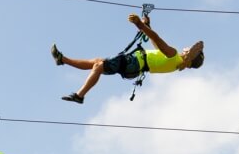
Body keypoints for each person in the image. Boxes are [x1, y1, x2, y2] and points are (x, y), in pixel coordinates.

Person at [52, 14, 204, 104]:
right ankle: (62, 60)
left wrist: (140, 25)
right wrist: (148, 26)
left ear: (190, 56)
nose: (186, 47)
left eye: (188, 49)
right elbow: (156, 45)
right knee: (97, 62)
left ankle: (79, 95)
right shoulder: (175, 62)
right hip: (134, 66)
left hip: (134, 63)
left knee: (98, 66)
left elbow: (157, 39)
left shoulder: (174, 54)